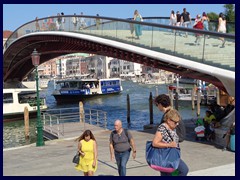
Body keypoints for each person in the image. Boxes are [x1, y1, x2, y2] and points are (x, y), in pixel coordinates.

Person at [152, 109, 189, 176]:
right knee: (184, 170)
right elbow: (154, 143)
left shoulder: (171, 127)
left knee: (168, 174)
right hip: (166, 157)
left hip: (171, 156)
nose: (177, 124)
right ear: (169, 120)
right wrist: (169, 144)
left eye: (178, 122)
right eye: (175, 122)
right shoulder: (162, 128)